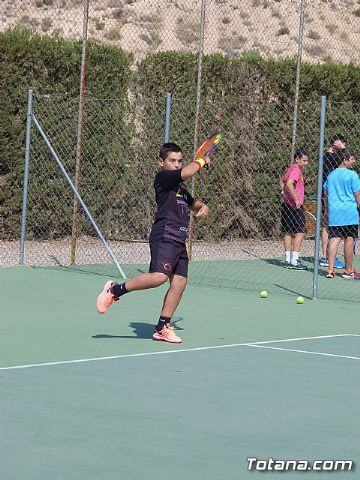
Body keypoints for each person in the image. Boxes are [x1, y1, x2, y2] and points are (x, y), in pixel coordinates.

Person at [96, 142, 210, 343]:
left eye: (179, 161)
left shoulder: (179, 188)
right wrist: (201, 160)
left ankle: (162, 327)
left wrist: (203, 207)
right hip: (164, 235)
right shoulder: (163, 178)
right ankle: (114, 291)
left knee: (180, 281)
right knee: (158, 277)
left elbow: (193, 203)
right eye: (172, 160)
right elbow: (188, 171)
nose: (176, 164)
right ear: (161, 162)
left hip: (179, 239)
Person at [323, 149, 360, 279]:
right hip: (350, 213)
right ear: (344, 160)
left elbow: (326, 193)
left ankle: (330, 269)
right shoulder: (352, 175)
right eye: (351, 159)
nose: (354, 161)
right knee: (349, 239)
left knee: (334, 239)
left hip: (335, 213)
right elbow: (357, 195)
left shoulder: (331, 175)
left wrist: (327, 209)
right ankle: (348, 270)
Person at [319, 134, 347, 269]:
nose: (344, 146)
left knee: (329, 224)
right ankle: (326, 256)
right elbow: (347, 158)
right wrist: (342, 149)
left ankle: (327, 255)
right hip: (329, 195)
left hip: (335, 195)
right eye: (342, 143)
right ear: (335, 143)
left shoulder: (334, 156)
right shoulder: (329, 157)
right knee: (329, 224)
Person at [279, 148, 309, 270]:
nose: (306, 163)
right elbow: (289, 183)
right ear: (297, 159)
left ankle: (288, 259)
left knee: (288, 231)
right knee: (300, 231)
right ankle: (294, 260)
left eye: (307, 161)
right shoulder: (296, 169)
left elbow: (282, 181)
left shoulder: (291, 168)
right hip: (294, 206)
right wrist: (296, 199)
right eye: (304, 160)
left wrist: (284, 194)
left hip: (287, 205)